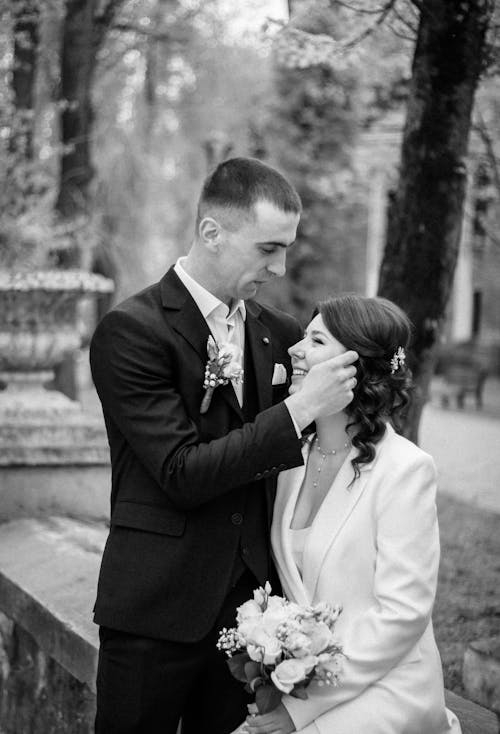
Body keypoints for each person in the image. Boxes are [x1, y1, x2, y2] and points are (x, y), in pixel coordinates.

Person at [89, 157, 358, 734]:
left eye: (285, 248)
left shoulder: (283, 334)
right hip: (154, 612)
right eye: (267, 248)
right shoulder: (132, 331)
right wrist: (300, 407)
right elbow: (182, 472)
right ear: (212, 232)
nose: (280, 267)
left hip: (252, 622)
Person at [244, 294, 461, 734]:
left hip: (389, 688)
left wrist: (299, 711)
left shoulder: (404, 470)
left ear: (352, 366)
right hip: (304, 686)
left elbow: (403, 615)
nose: (294, 350)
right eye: (303, 337)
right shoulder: (290, 460)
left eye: (316, 340)